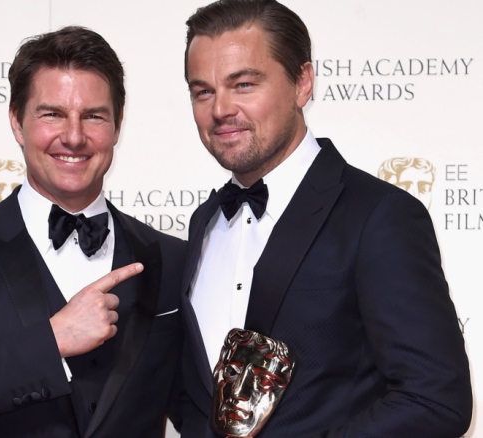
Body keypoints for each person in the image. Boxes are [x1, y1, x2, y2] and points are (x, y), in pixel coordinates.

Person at [178, 1, 472, 437]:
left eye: (243, 84)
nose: (220, 109)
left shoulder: (378, 216)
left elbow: (435, 398)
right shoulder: (204, 222)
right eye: (203, 91)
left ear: (302, 83)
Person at [0, 26, 185, 438]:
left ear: (117, 127)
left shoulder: (172, 259)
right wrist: (51, 342)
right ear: (17, 121)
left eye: (94, 116)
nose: (74, 137)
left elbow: (198, 407)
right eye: (53, 114)